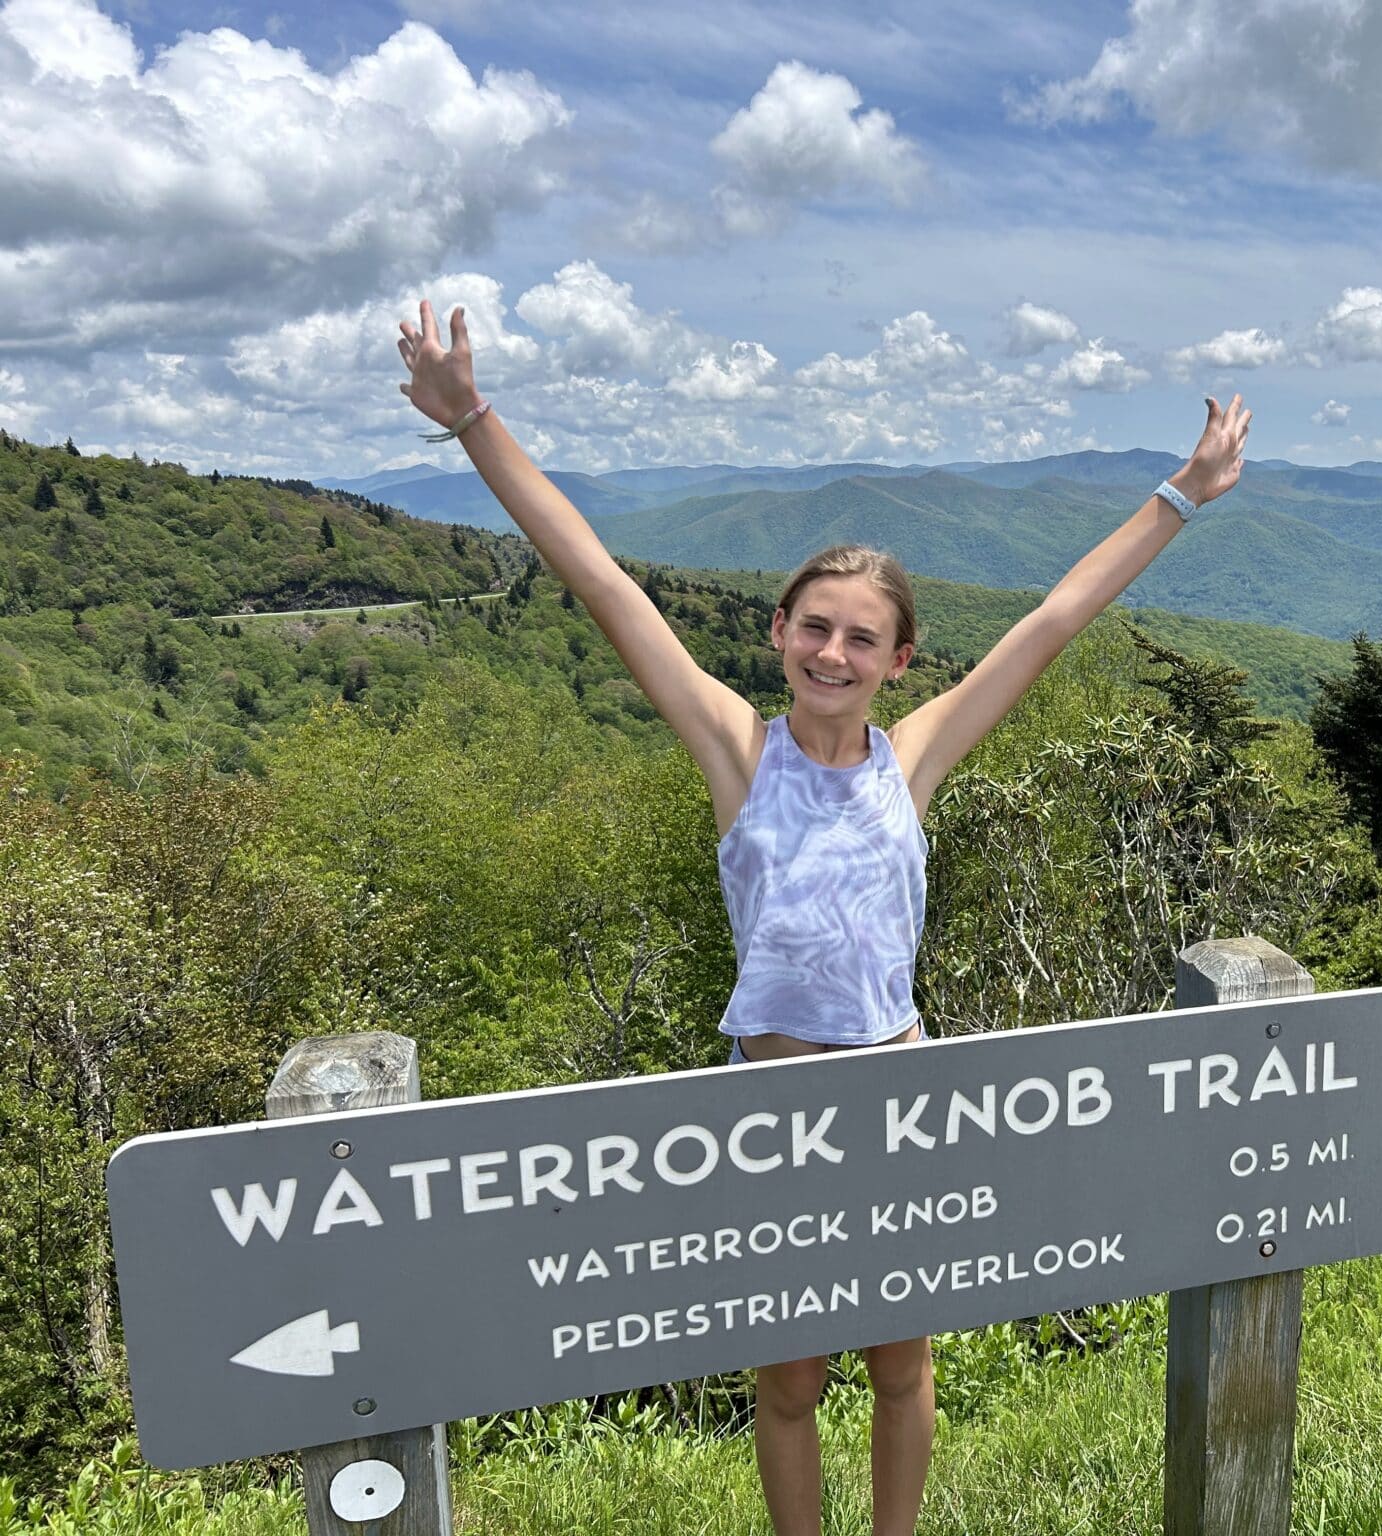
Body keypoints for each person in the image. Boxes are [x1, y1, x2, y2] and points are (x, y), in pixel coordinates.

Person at [395, 299, 1250, 1536]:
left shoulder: (914, 757)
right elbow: (594, 574)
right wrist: (471, 418)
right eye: (814, 627)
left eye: (862, 638)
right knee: (787, 1379)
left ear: (901, 661)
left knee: (900, 1365)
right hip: (763, 1111)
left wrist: (1180, 492)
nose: (833, 653)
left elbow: (1053, 620)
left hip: (895, 1105)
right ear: (777, 633)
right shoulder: (737, 752)